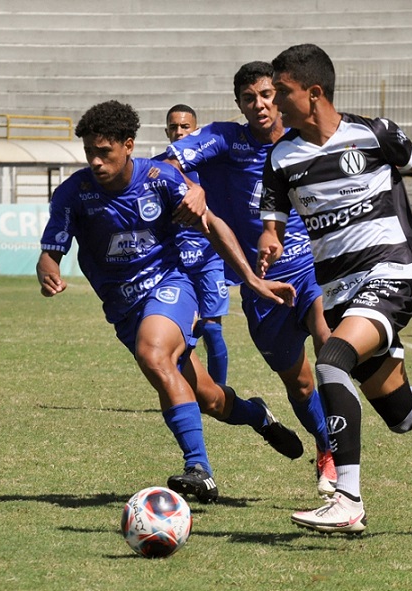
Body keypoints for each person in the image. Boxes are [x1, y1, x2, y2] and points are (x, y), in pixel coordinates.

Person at [260, 43, 412, 534]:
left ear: (314, 93)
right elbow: (273, 224)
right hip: (341, 290)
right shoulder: (280, 158)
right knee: (402, 412)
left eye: (281, 92)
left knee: (331, 359)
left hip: (390, 275)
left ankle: (347, 499)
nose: (274, 103)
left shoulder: (373, 133)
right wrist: (269, 241)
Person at [36, 100, 305, 505]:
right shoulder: (74, 193)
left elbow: (211, 225)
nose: (95, 161)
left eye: (104, 152)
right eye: (89, 152)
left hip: (170, 286)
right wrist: (47, 267)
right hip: (123, 309)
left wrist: (250, 278)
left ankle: (199, 469)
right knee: (210, 398)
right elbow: (51, 250)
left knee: (154, 353)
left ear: (128, 145)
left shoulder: (160, 178)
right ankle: (258, 415)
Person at [164, 62, 337, 497]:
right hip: (261, 284)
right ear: (239, 103)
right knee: (298, 383)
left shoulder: (306, 137)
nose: (259, 105)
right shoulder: (227, 139)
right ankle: (322, 439)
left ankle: (337, 455)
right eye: (249, 98)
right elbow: (166, 161)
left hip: (313, 268)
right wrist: (192, 186)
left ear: (278, 95)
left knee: (328, 344)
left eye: (266, 95)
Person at [155, 104, 230, 385]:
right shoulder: (157, 167)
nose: (179, 131)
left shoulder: (213, 167)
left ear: (195, 130)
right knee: (175, 331)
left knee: (212, 330)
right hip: (174, 263)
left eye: (185, 127)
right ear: (166, 131)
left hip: (209, 258)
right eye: (174, 127)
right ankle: (185, 389)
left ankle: (220, 393)